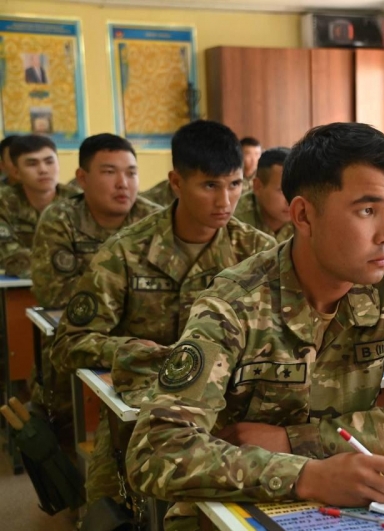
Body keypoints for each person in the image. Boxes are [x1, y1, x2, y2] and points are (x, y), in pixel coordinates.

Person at [125, 123, 384, 531]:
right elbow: (156, 451)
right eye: (367, 211)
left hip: (350, 507)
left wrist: (298, 442)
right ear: (303, 215)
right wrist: (306, 476)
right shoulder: (234, 303)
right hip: (231, 513)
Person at [50, 120, 276, 506]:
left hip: (233, 409)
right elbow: (68, 343)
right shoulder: (126, 251)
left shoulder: (258, 252)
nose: (225, 201)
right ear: (176, 182)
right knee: (108, 509)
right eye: (210, 186)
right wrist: (133, 350)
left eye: (235, 184)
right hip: (140, 413)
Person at [29, 134, 160, 433]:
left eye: (131, 173)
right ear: (82, 178)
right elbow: (54, 294)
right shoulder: (61, 218)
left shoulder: (153, 219)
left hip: (144, 346)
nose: (123, 183)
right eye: (109, 172)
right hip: (80, 341)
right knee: (69, 424)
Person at [0, 135, 78, 277]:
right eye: (32, 164)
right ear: (16, 172)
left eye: (49, 162)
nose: (43, 170)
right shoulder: (4, 202)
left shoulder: (79, 201)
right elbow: (10, 256)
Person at [233, 147, 294, 242]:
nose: (292, 200)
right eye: (282, 191)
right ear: (257, 187)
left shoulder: (306, 216)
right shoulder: (235, 220)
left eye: (297, 189)